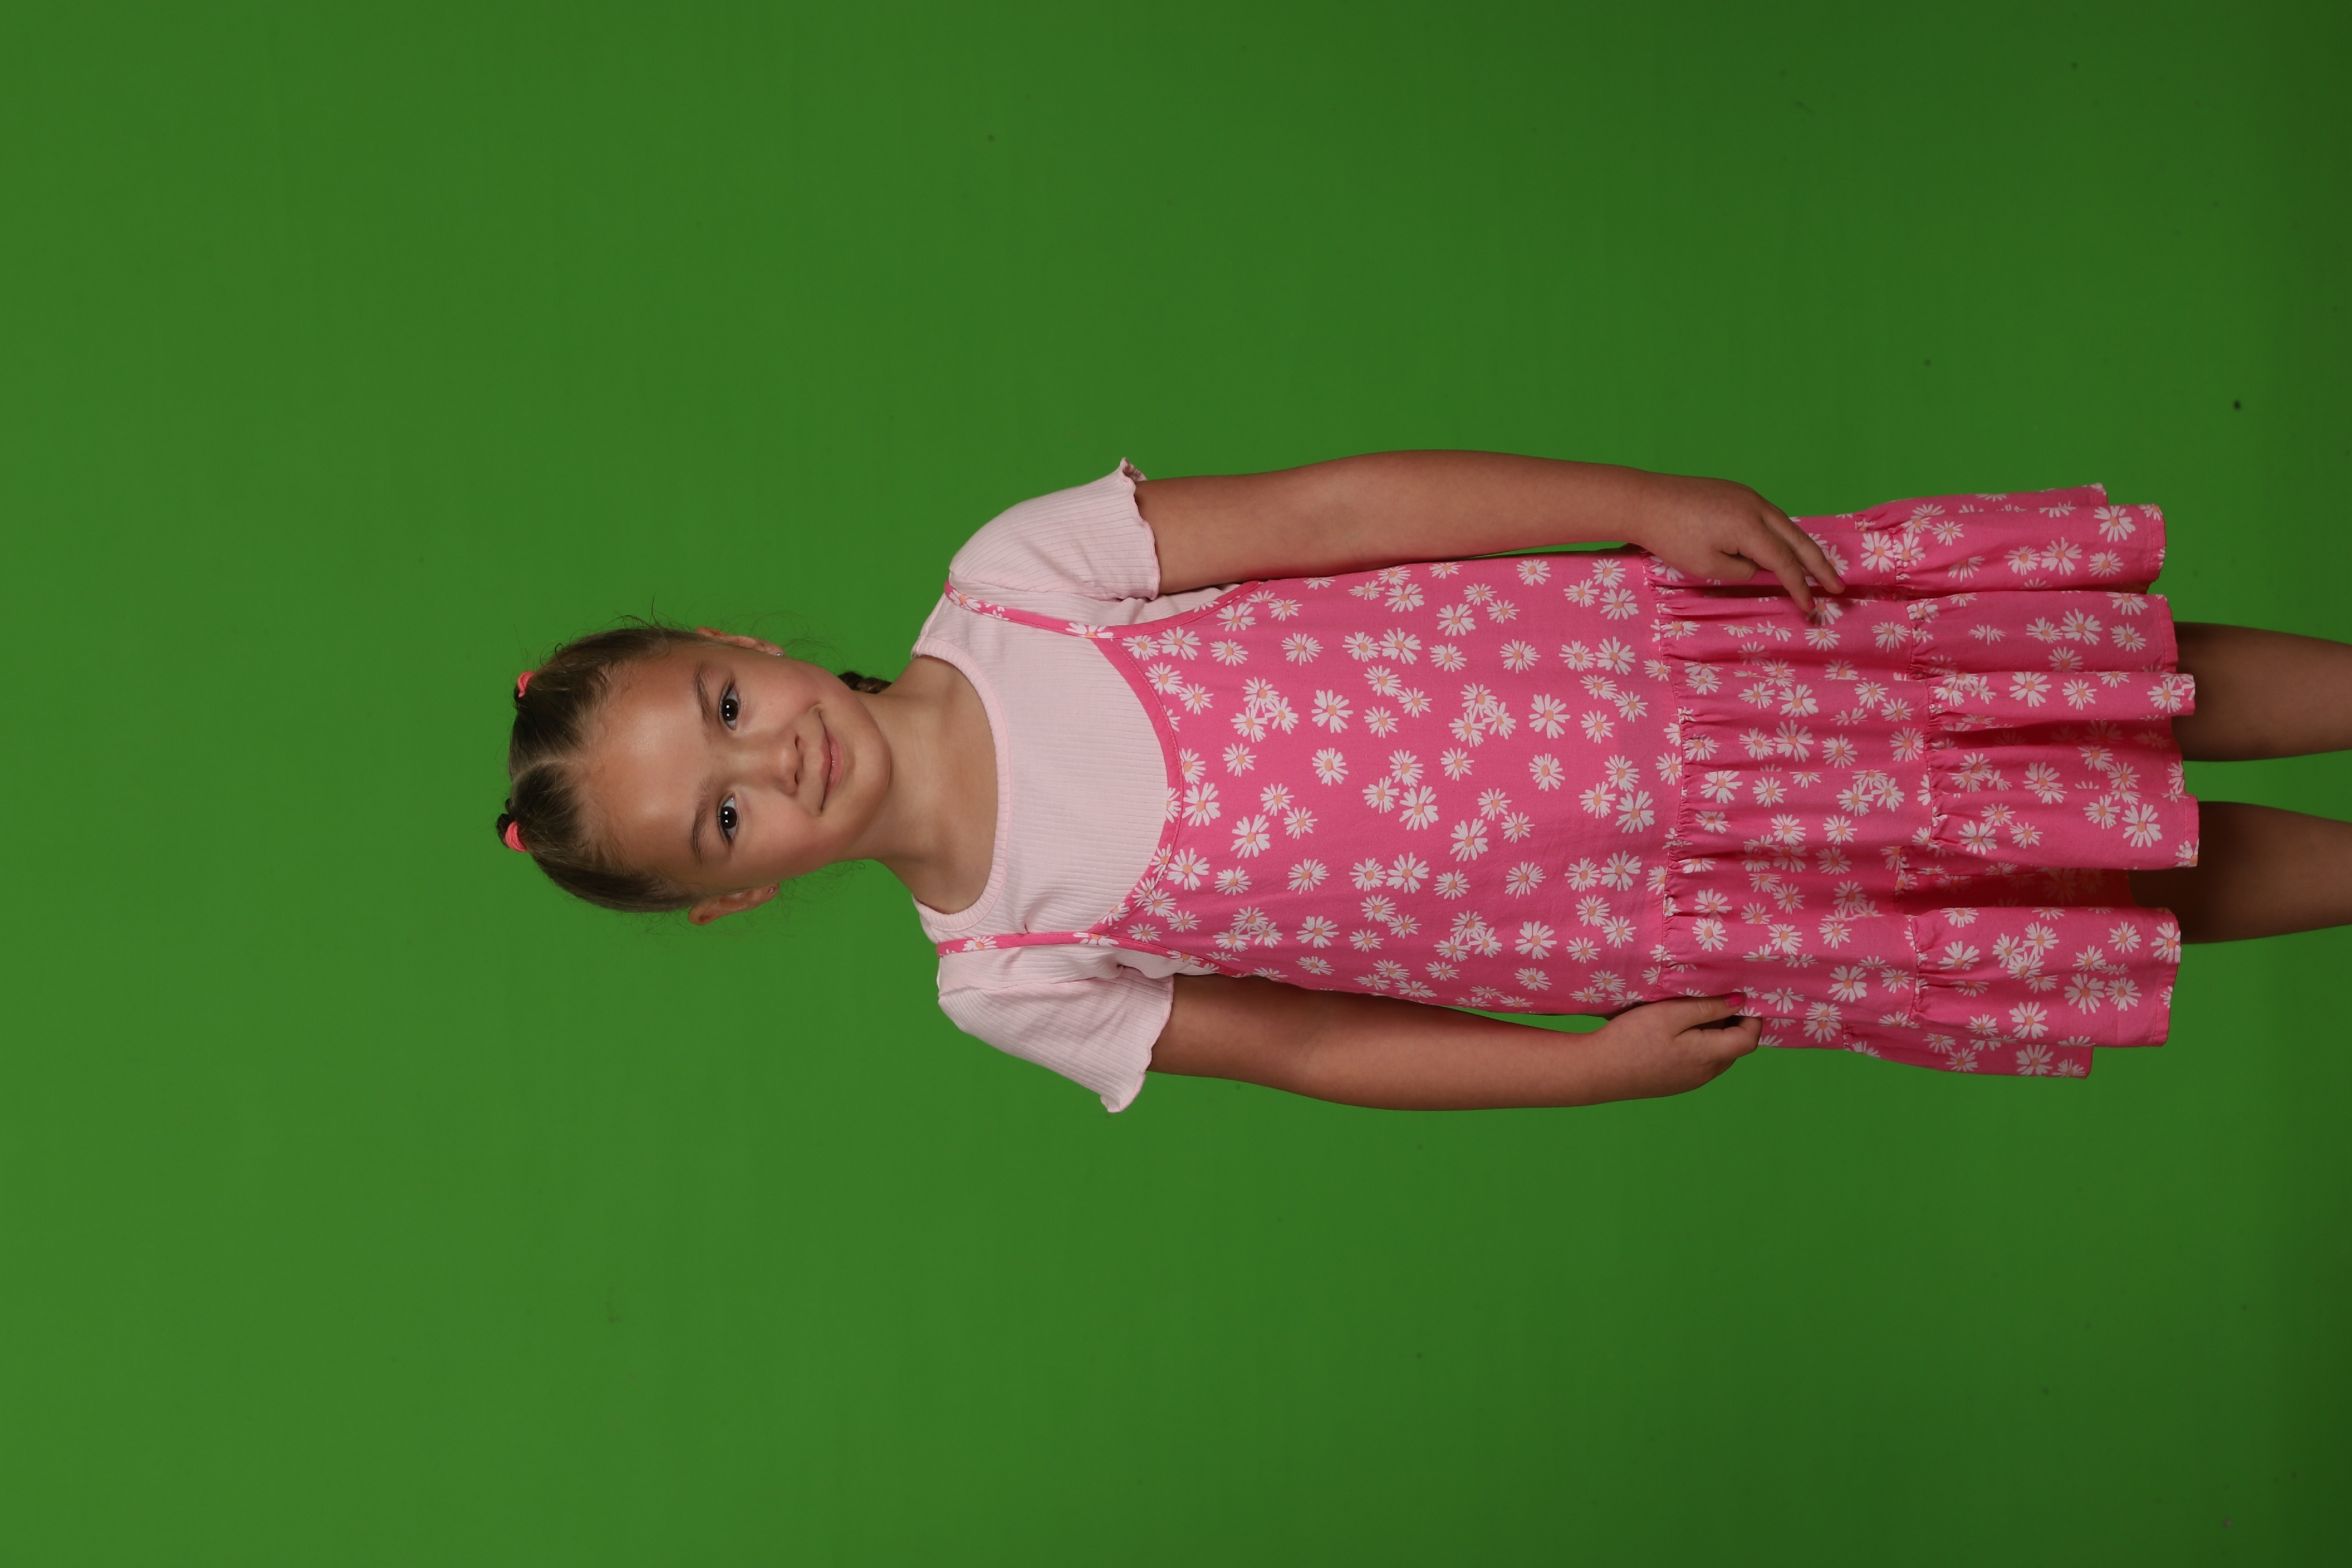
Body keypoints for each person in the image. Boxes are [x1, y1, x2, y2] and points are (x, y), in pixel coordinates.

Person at [493, 453, 2352, 1111]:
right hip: (1659, 900)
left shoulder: (1014, 582)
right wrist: (1583, 1071)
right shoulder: (1004, 976)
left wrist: (1633, 505)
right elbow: (1312, 1047)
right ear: (740, 891)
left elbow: (1336, 514)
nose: (773, 757)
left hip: (1670, 666)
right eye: (723, 816)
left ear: (738, 640)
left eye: (724, 704)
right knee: (2068, 865)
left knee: (2083, 680)